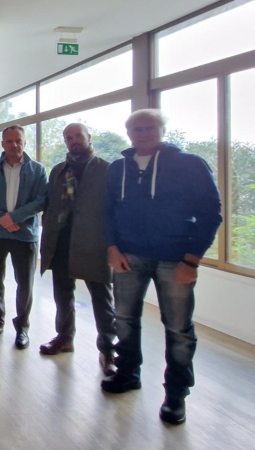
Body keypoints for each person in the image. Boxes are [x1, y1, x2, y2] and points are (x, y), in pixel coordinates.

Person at [103, 109, 222, 425]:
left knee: (178, 327)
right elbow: (108, 211)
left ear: (162, 130)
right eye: (137, 129)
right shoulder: (118, 168)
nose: (143, 134)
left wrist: (192, 259)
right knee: (124, 319)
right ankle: (128, 373)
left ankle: (176, 394)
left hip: (175, 258)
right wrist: (112, 248)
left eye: (150, 128)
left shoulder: (189, 164)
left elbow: (211, 212)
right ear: (129, 134)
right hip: (128, 255)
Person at [38, 123, 116, 375]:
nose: (74, 141)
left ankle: (108, 349)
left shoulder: (106, 170)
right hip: (61, 242)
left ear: (88, 137)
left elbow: (115, 210)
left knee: (102, 299)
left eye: (78, 136)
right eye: (69, 138)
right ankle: (64, 338)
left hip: (94, 243)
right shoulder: (59, 170)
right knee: (62, 294)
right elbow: (50, 203)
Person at [0, 124, 48, 349]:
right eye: (9, 141)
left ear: (25, 142)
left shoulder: (38, 170)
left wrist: (14, 217)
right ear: (2, 144)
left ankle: (22, 328)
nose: (14, 144)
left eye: (18, 140)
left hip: (25, 235)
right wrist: (2, 218)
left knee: (25, 283)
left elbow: (41, 200)